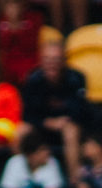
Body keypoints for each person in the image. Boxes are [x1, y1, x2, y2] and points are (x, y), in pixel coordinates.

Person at [22, 41, 89, 177]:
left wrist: (62, 122)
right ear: (41, 61)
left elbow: (82, 111)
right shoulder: (33, 80)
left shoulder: (77, 78)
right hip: (42, 125)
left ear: (64, 61)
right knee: (20, 131)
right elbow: (28, 114)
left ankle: (75, 182)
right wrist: (48, 122)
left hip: (68, 125)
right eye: (47, 59)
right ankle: (23, 178)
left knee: (71, 131)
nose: (51, 63)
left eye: (56, 59)